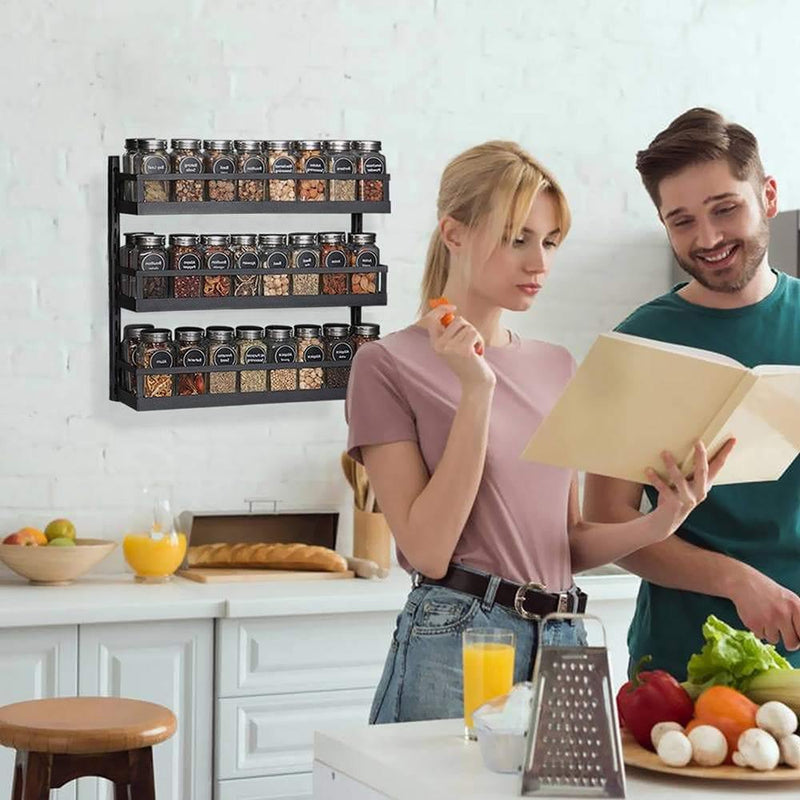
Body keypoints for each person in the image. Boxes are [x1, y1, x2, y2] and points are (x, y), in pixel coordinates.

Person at [345, 140, 732, 724]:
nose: (539, 263)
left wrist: (660, 520)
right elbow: (426, 550)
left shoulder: (555, 365)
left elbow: (565, 541)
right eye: (517, 238)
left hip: (567, 637)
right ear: (454, 233)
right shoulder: (387, 364)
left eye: (549, 242)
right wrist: (476, 392)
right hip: (461, 634)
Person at [584, 108, 800, 679]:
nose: (707, 239)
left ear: (769, 196)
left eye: (725, 209)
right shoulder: (637, 345)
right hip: (682, 667)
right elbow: (607, 527)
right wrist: (735, 579)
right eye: (681, 221)